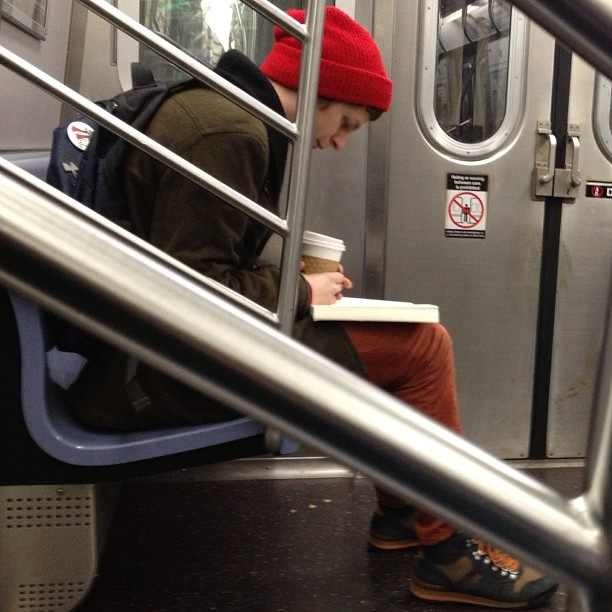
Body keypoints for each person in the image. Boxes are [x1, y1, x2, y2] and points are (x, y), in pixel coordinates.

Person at [70, 6, 558, 609]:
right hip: (152, 374)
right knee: (423, 349)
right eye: (347, 121)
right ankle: (447, 553)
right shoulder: (231, 133)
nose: (339, 142)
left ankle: (408, 518)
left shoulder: (225, 113)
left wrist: (289, 284)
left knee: (409, 344)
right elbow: (193, 292)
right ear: (322, 91)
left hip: (146, 354)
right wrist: (299, 293)